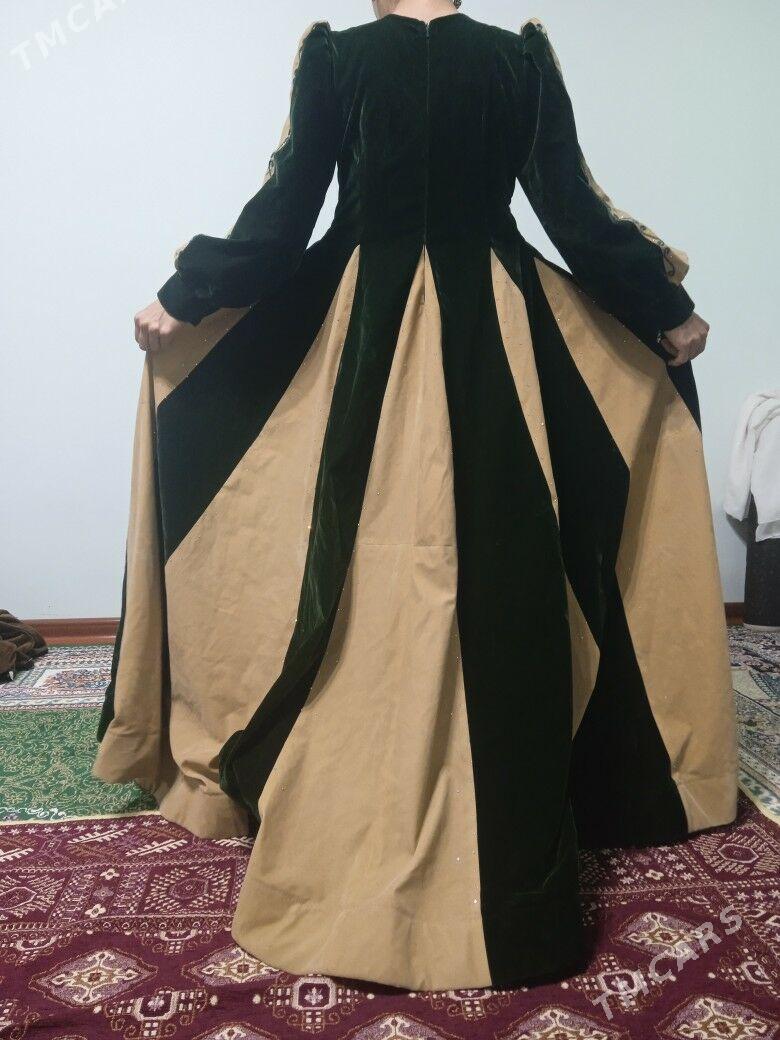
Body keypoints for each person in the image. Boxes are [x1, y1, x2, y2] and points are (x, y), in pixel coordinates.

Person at [94, 0, 737, 990]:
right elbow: (572, 210)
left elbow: (282, 216)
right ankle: (512, 867)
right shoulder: (517, 62)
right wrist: (665, 309)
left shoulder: (339, 58)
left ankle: (348, 803)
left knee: (353, 573)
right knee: (507, 573)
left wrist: (185, 296)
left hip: (366, 335)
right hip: (498, 337)